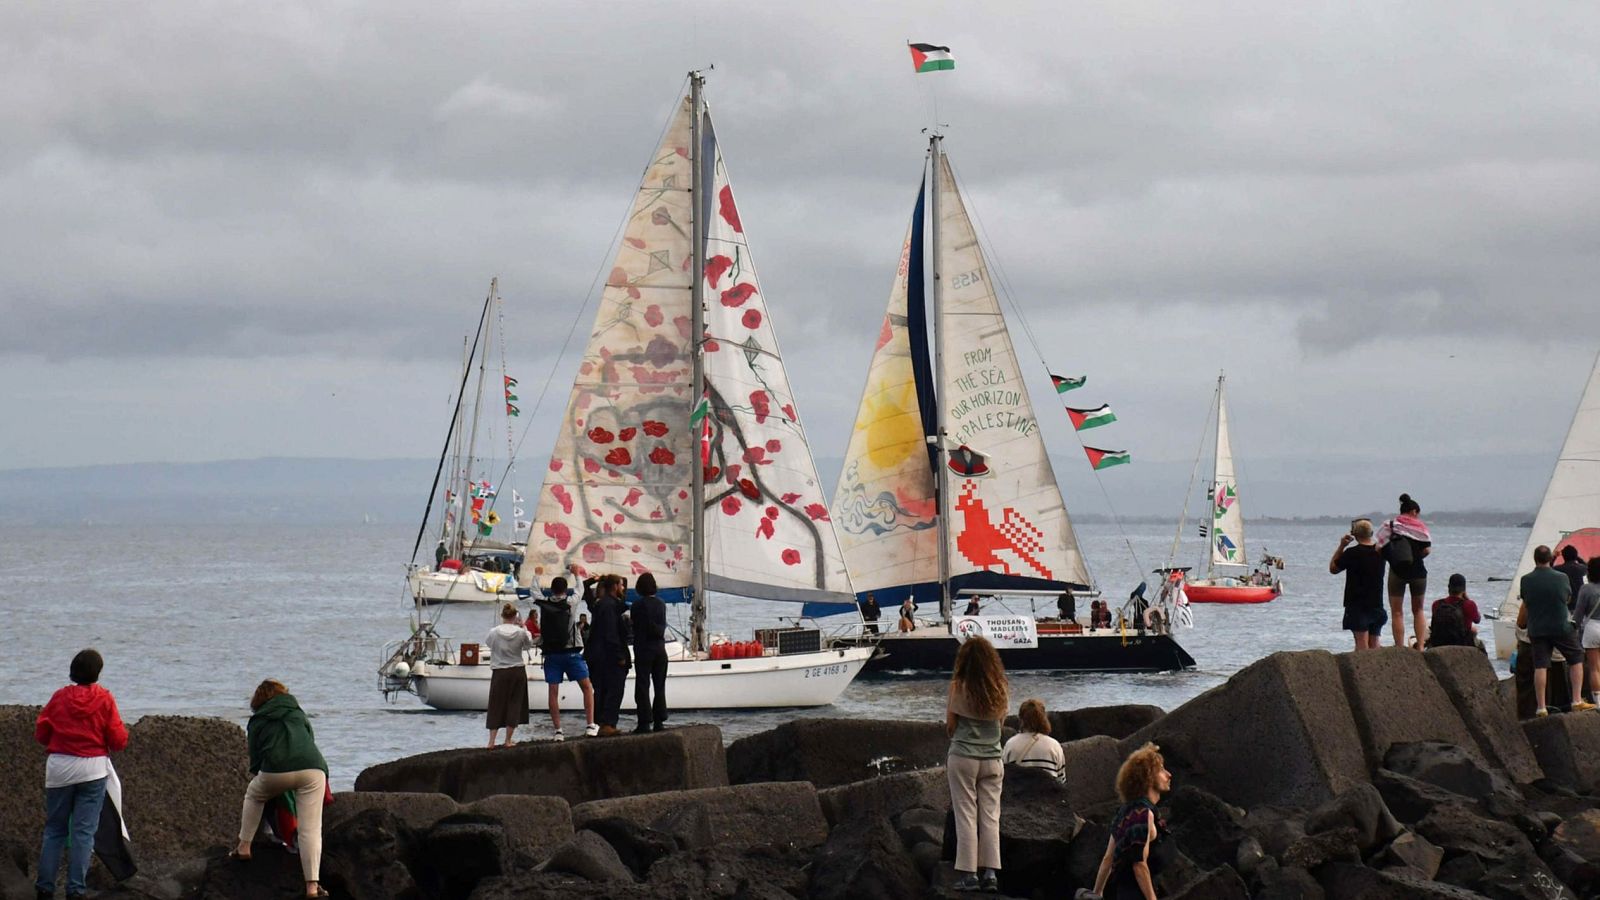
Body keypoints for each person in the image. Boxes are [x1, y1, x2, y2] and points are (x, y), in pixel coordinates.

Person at [35, 649, 129, 900]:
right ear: (97, 672)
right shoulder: (105, 698)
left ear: (72, 670)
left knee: (54, 829)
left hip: (59, 768)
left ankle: (44, 888)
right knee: (83, 831)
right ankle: (75, 890)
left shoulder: (59, 697)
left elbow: (42, 732)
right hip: (92, 768)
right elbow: (118, 739)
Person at [234, 680, 329, 899]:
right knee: (311, 830)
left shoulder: (258, 720)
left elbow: (255, 758)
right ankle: (312, 887)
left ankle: (244, 846)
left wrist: (262, 771)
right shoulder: (297, 713)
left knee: (254, 795)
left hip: (276, 771)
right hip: (313, 770)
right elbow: (309, 740)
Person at [946, 636, 1009, 893]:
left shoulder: (958, 686)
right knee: (991, 816)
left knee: (966, 814)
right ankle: (991, 873)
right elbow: (1001, 724)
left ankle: (969, 874)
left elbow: (950, 725)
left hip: (963, 757)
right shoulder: (1000, 687)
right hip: (993, 759)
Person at [1517, 545, 1594, 716]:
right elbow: (1567, 598)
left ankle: (1541, 707)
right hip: (1560, 626)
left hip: (1537, 628)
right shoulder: (1562, 578)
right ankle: (1576, 700)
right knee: (1576, 658)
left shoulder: (1526, 580)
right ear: (1549, 559)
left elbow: (1526, 599)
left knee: (1540, 666)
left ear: (1535, 558)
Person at [1092, 743, 1175, 900]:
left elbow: (1108, 857)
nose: (1169, 774)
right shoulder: (1143, 814)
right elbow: (1139, 865)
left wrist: (1097, 892)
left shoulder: (1125, 812)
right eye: (1162, 770)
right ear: (1148, 776)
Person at [537, 575, 597, 740]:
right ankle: (591, 724)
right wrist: (577, 574)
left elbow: (534, 591)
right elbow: (580, 590)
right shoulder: (571, 603)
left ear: (551, 589)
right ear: (565, 589)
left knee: (553, 691)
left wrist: (537, 575)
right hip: (571, 652)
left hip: (551, 654)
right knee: (586, 687)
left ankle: (558, 731)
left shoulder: (544, 603)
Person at [1377, 493, 1433, 649]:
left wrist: (1391, 557)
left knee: (1397, 612)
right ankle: (1421, 646)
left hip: (1397, 571)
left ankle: (1399, 647)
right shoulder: (1420, 527)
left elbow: (1378, 547)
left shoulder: (1390, 525)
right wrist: (1416, 556)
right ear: (1414, 511)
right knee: (1419, 610)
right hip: (1418, 572)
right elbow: (1427, 550)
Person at [584, 574, 632, 736]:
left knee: (601, 690)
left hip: (596, 655)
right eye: (621, 585)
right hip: (609, 656)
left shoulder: (599, 605)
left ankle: (599, 722)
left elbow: (587, 594)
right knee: (614, 689)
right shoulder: (610, 607)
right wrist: (620, 656)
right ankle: (608, 723)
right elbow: (611, 633)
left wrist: (592, 581)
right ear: (615, 587)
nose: (623, 588)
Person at [484, 602, 536, 748]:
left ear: (502, 616)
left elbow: (489, 644)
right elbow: (528, 645)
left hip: (499, 671)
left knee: (495, 704)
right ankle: (508, 740)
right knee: (514, 703)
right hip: (517, 670)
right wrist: (523, 626)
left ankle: (491, 741)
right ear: (515, 616)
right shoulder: (520, 632)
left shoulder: (494, 632)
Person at [1331, 519, 1386, 651]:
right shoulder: (1380, 552)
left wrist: (1342, 546)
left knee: (1361, 646)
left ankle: (1363, 671)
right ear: (1371, 533)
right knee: (1374, 645)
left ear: (1354, 535)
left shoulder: (1351, 553)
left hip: (1357, 605)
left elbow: (1333, 568)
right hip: (1377, 603)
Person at [631, 572, 669, 734]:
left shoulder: (637, 605)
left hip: (644, 648)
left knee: (642, 685)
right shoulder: (661, 604)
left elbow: (635, 626)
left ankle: (644, 722)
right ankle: (659, 720)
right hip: (660, 648)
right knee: (659, 685)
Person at [1001, 698, 1065, 782]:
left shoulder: (1010, 745)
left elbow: (1004, 776)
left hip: (1020, 794)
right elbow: (1061, 780)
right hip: (1047, 794)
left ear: (1021, 719)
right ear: (1044, 718)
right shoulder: (1054, 746)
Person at [1426, 574, 1481, 649]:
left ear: (1448, 587)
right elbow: (1477, 620)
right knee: (1474, 631)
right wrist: (1467, 599)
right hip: (1462, 643)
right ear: (1464, 589)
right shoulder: (1469, 604)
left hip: (1438, 642)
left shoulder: (1436, 604)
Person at [1572, 557, 1600, 702]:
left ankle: (1598, 702)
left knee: (1594, 668)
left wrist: (1573, 627)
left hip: (1592, 628)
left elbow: (1578, 615)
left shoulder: (1586, 589)